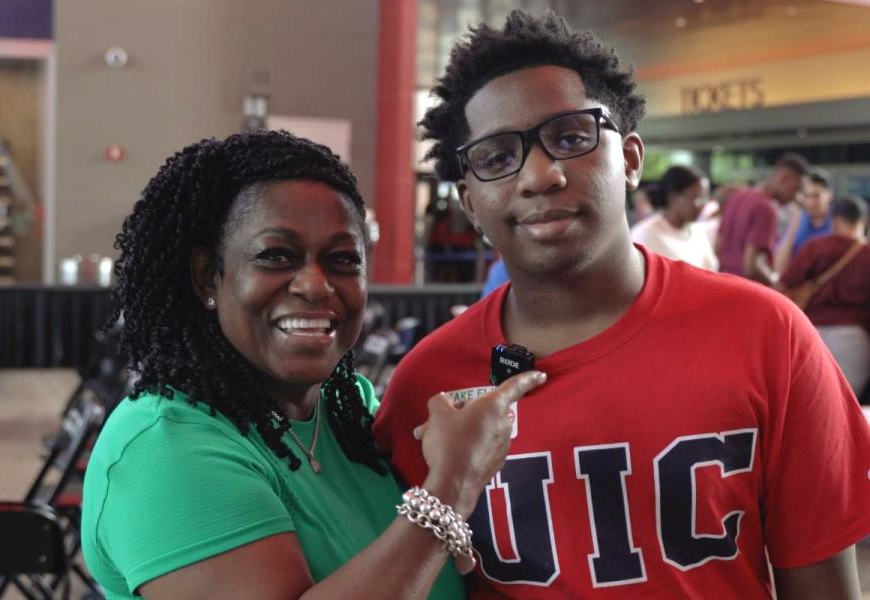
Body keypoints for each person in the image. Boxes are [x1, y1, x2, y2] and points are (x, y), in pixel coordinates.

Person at [372, 10, 870, 599]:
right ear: (470, 203)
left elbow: (823, 585)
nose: (539, 175)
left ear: (631, 160)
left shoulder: (767, 335)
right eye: (497, 158)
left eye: (570, 138)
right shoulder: (427, 386)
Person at [80, 130, 546, 600]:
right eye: (275, 256)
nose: (316, 285)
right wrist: (450, 486)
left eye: (342, 259)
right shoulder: (162, 449)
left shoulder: (349, 413)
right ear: (208, 278)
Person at [779, 195, 870, 397]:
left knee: (810, 402)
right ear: (863, 222)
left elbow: (784, 285)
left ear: (834, 221)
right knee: (845, 403)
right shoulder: (866, 254)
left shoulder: (815, 247)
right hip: (854, 339)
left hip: (809, 336)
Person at [718, 153, 809, 284]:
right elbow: (751, 267)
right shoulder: (766, 208)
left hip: (724, 284)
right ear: (785, 178)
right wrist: (776, 285)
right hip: (746, 290)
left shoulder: (738, 197)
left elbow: (717, 247)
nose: (796, 197)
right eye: (797, 189)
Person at [630, 165, 718, 270]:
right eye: (697, 197)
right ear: (674, 197)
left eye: (705, 197)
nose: (703, 205)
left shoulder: (698, 231)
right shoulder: (645, 234)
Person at [775, 169, 834, 273]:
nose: (811, 202)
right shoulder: (798, 221)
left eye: (816, 196)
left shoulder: (839, 221)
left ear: (829, 194)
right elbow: (778, 267)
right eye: (807, 196)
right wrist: (793, 229)